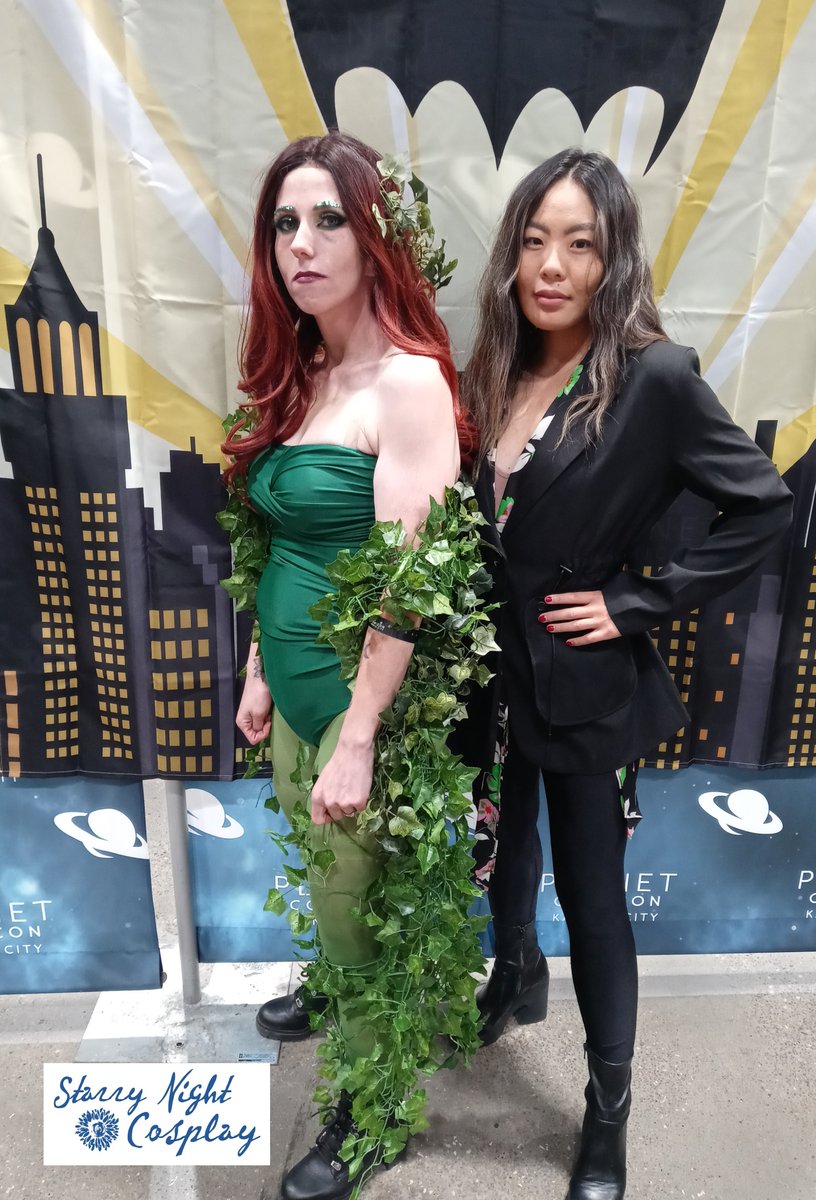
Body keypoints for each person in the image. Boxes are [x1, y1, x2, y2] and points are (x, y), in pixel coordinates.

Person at [458, 147, 792, 1200]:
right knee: (504, 853)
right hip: (492, 679)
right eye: (534, 240)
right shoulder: (497, 367)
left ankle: (608, 1111)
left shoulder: (654, 377)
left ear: (614, 260)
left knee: (593, 898)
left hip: (586, 685)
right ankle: (514, 974)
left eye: (581, 244)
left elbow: (763, 505)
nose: (552, 265)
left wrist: (636, 603)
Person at [223, 132, 465, 1200]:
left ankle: (373, 1117)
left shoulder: (409, 386)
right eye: (285, 223)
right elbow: (276, 541)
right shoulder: (304, 373)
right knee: (329, 897)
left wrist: (359, 733)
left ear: (375, 240)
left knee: (359, 916)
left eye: (328, 220)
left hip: (357, 705)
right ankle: (332, 993)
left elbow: (411, 586)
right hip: (291, 690)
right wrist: (257, 670)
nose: (302, 244)